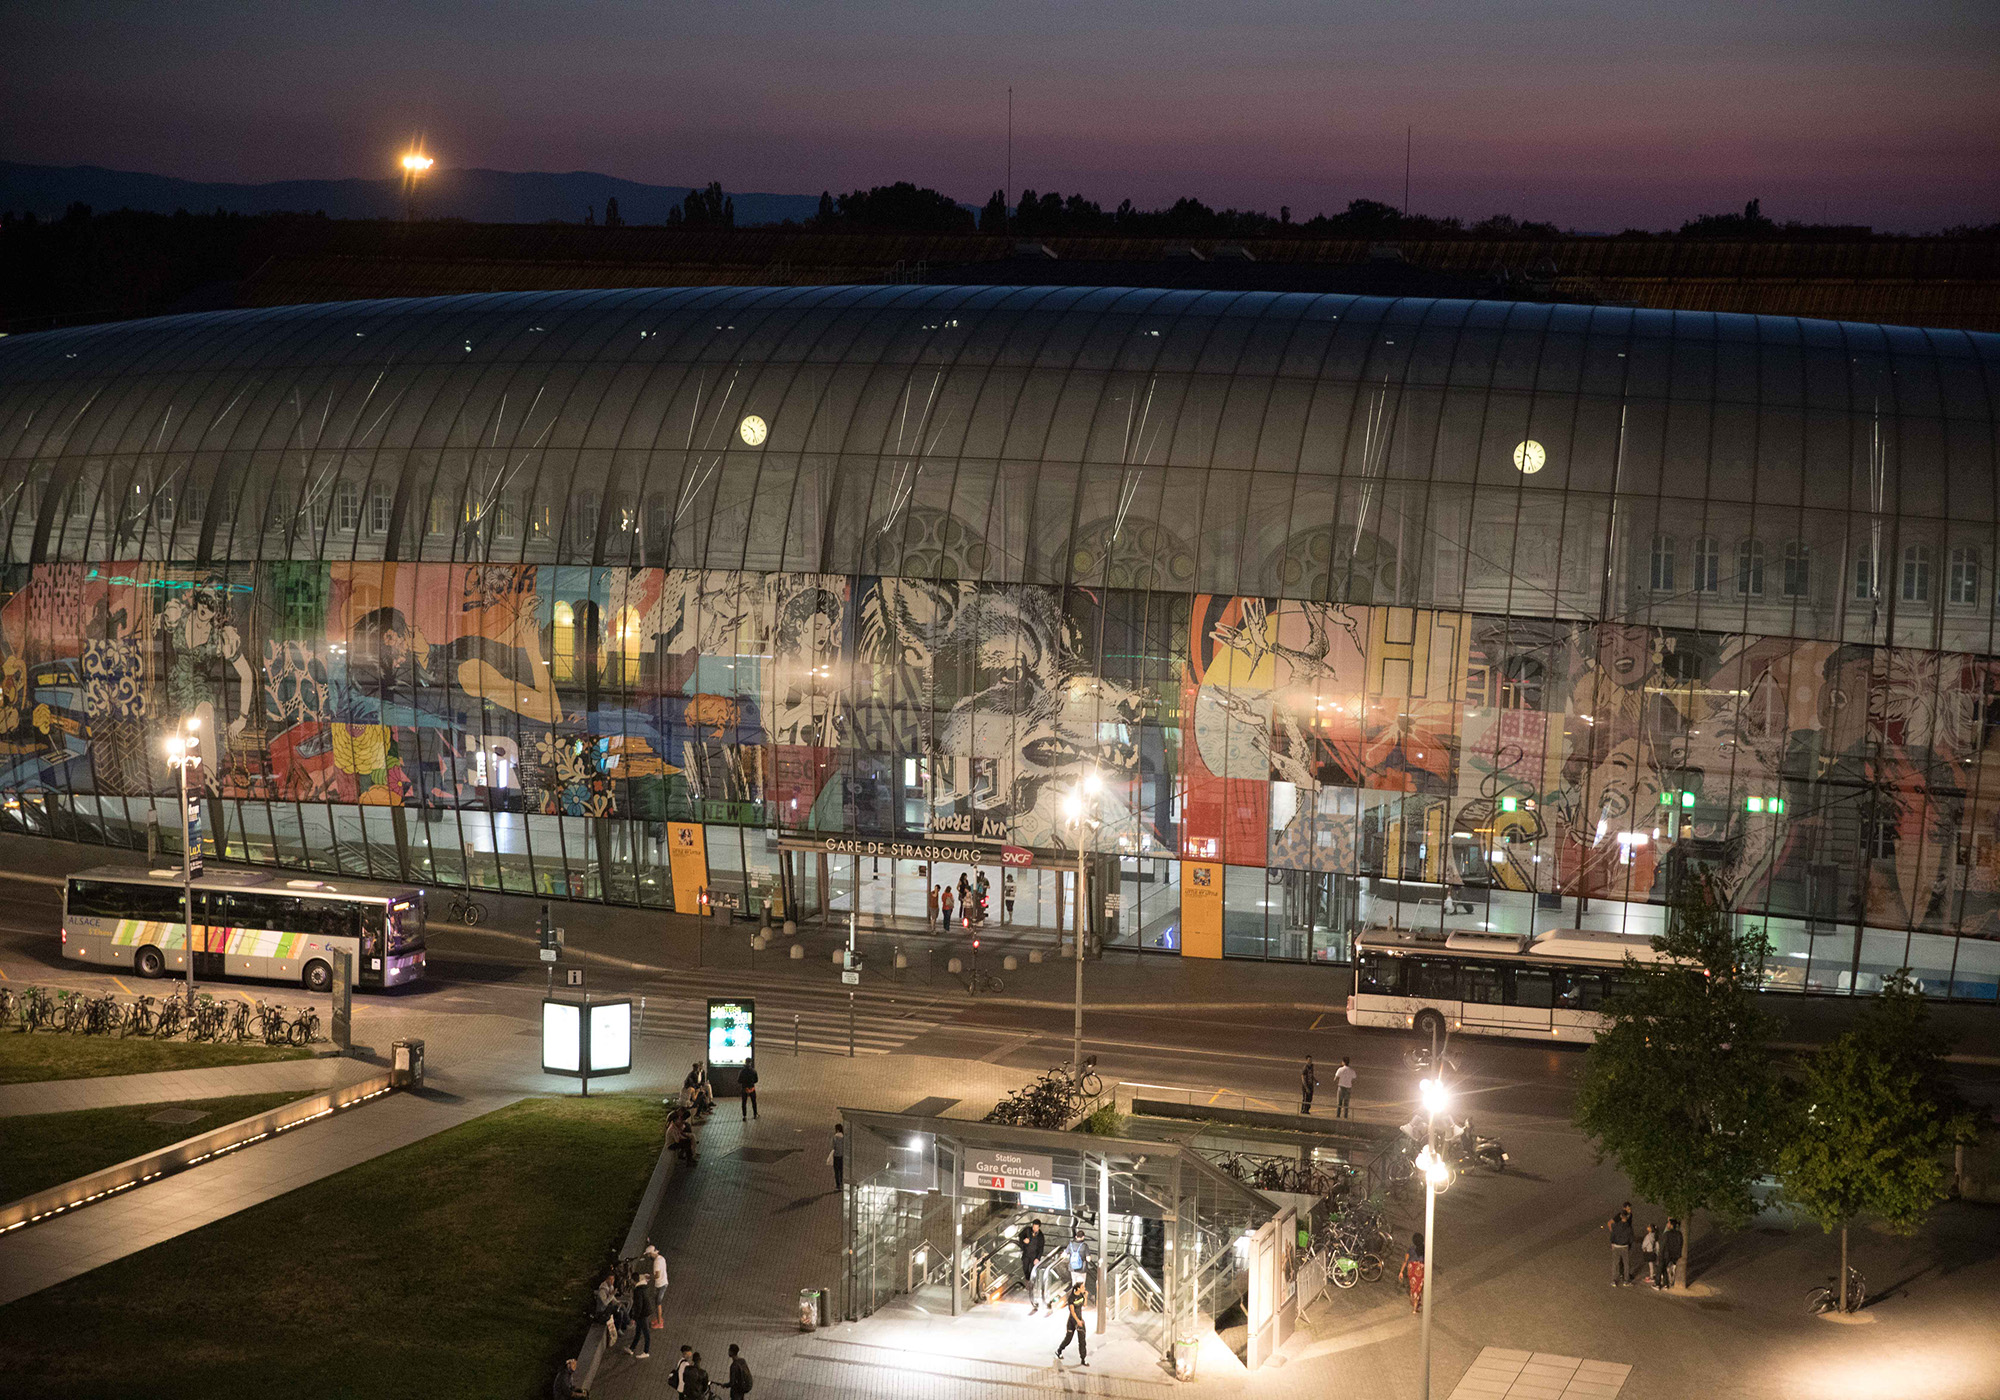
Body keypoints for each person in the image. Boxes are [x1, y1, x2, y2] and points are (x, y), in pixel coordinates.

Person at [1054, 1279, 1090, 1367]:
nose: (1084, 1288)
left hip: (1080, 1319)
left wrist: (1085, 1297)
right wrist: (1077, 1321)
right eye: (1082, 1287)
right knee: (1068, 1338)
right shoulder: (1071, 1298)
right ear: (1078, 1288)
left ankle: (1083, 1359)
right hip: (1073, 1320)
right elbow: (1072, 1312)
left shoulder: (1081, 1295)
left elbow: (1084, 1305)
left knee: (1082, 1340)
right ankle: (1059, 1350)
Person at [1017, 1217, 1047, 1313]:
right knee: (1025, 1267)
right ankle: (1027, 1280)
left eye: (1037, 1227)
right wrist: (1024, 1240)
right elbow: (1020, 1236)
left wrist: (1038, 1258)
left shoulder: (1040, 1236)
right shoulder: (1027, 1230)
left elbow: (1041, 1248)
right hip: (1026, 1253)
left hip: (1034, 1255)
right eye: (1034, 1227)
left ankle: (1031, 1284)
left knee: (1032, 1270)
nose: (1035, 1229)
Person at [1606, 1202, 1635, 1285]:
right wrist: (1618, 1234)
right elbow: (1609, 1223)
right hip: (1623, 1243)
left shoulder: (1630, 1215)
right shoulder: (1619, 1216)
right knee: (1624, 1262)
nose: (1630, 1210)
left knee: (1619, 1262)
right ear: (1624, 1208)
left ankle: (1618, 1277)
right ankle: (1625, 1278)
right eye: (1628, 1209)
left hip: (1620, 1243)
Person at [626, 1272, 653, 1358]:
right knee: (638, 1331)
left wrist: (635, 1317)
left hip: (642, 1314)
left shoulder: (637, 1291)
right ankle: (632, 1348)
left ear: (633, 1281)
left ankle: (646, 1351)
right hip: (645, 1311)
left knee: (646, 1333)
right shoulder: (644, 1288)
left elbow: (639, 1305)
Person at [1399, 1231, 1426, 1314]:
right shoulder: (1424, 1249)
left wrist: (1401, 1271)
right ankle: (1415, 1306)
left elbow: (1405, 1261)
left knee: (1413, 1286)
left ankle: (1415, 1302)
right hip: (1420, 1267)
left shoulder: (1410, 1249)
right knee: (1419, 1286)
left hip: (1411, 1268)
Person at [645, 1242, 669, 1325]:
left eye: (648, 1255)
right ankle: (659, 1318)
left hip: (660, 1284)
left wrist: (649, 1277)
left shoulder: (656, 1262)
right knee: (657, 1302)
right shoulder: (661, 1258)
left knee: (658, 1303)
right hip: (664, 1282)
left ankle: (659, 1323)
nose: (648, 1257)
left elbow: (657, 1275)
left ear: (651, 1253)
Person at [1659, 1218, 1684, 1289]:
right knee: (1672, 1268)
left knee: (1666, 1268)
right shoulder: (1679, 1234)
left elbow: (1663, 1245)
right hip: (1676, 1254)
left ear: (1671, 1225)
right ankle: (1671, 1282)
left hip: (1668, 1254)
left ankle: (1667, 1283)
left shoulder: (1667, 1234)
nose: (1667, 1224)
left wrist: (1661, 1253)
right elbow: (1680, 1244)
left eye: (1668, 1223)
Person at [1640, 1222, 1659, 1288]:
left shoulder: (1648, 1236)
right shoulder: (1654, 1235)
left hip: (1649, 1251)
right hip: (1654, 1251)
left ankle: (1651, 1277)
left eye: (1649, 1227)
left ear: (1650, 1229)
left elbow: (1644, 1244)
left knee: (1650, 1265)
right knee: (1654, 1263)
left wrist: (1643, 1248)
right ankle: (1654, 1275)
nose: (1647, 1227)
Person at [829, 1122, 846, 1190]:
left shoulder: (835, 1137)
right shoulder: (844, 1137)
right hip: (842, 1156)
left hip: (836, 1156)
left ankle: (838, 1185)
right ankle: (842, 1184)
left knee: (836, 1171)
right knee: (842, 1171)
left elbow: (833, 1146)